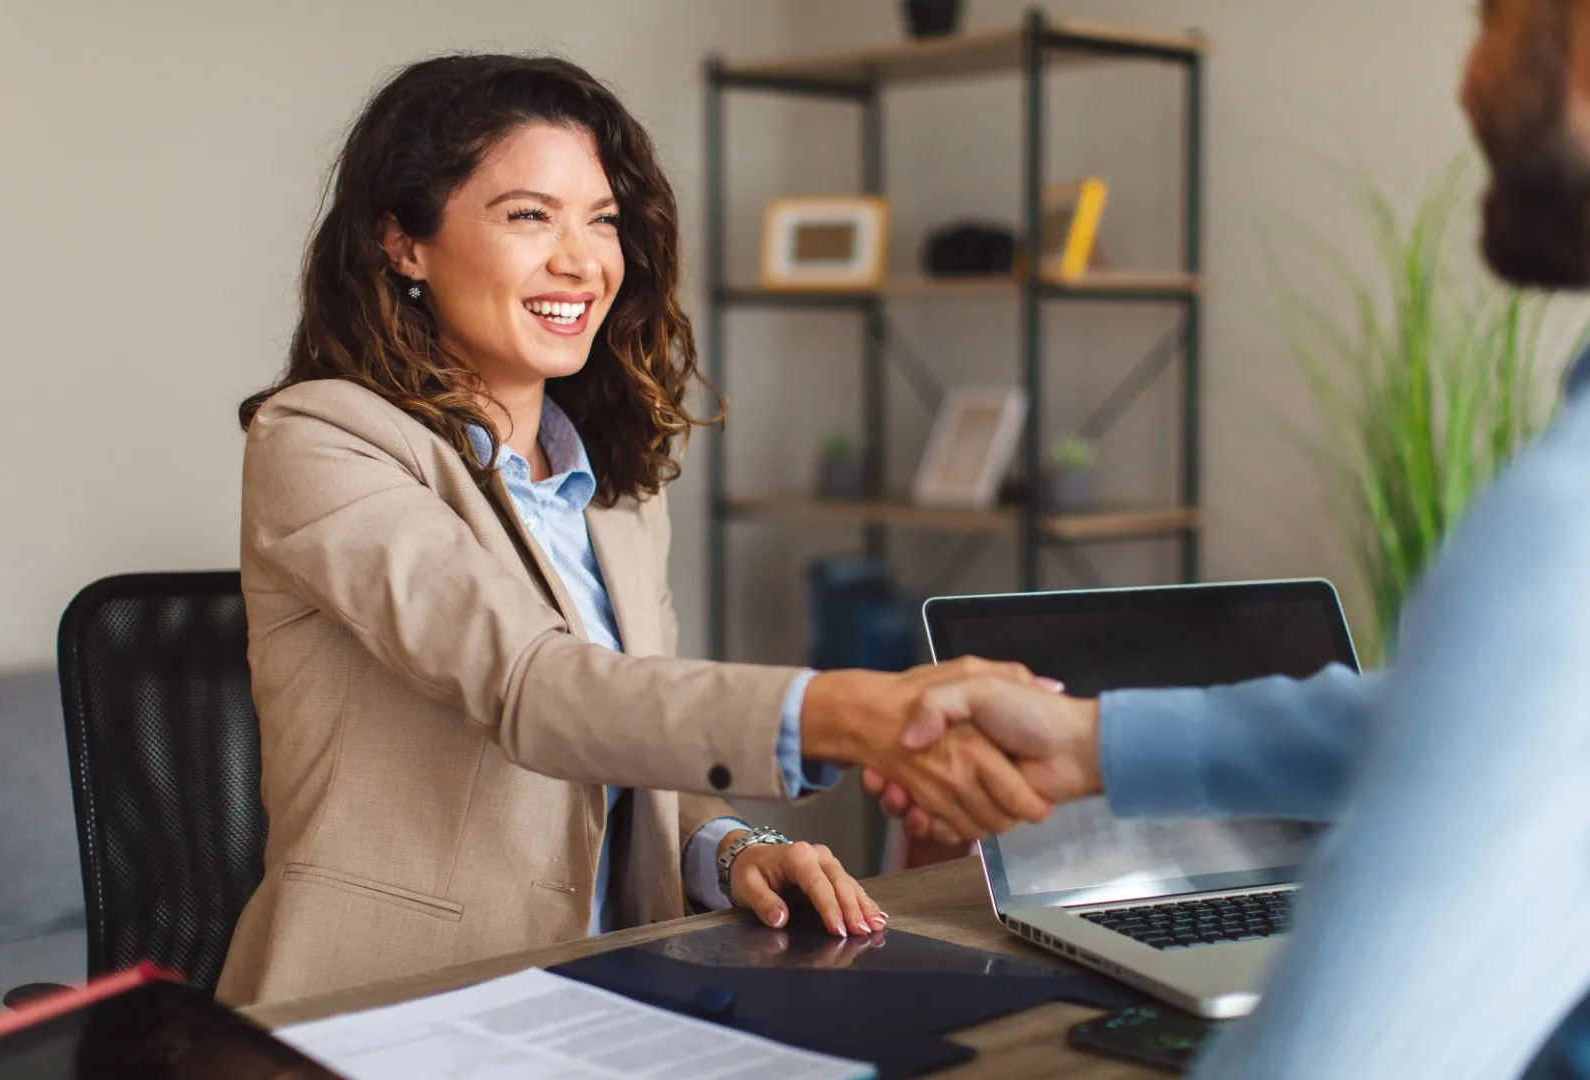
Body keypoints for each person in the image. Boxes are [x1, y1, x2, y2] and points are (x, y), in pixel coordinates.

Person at [215, 54, 1055, 1007]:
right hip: (388, 1004)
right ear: (403, 243)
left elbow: (631, 734)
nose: (581, 259)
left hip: (609, 994)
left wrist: (730, 845)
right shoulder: (322, 439)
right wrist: (852, 711)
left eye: (602, 218)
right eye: (529, 215)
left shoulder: (614, 487)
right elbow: (536, 686)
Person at [866, 2, 1590, 1075]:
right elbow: (1476, 717)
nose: (1467, 81)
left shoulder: (1559, 527)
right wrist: (1091, 742)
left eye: (1493, 18)